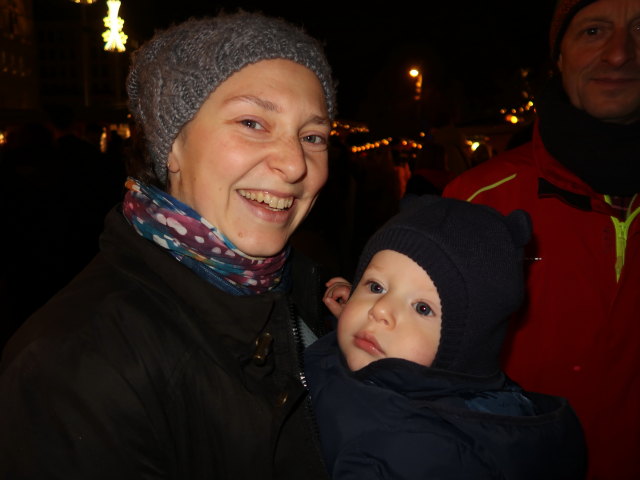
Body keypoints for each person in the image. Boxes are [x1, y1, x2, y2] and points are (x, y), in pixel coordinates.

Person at [0, 12, 336, 479]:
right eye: (252, 122)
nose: (295, 163)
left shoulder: (311, 298)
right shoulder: (73, 364)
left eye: (313, 136)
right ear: (171, 144)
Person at [442, 1, 640, 478]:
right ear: (559, 58)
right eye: (593, 31)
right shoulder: (477, 201)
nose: (619, 54)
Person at [306, 195, 587, 479]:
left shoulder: (412, 455)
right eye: (376, 287)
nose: (379, 311)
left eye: (422, 308)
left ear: (463, 348)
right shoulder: (385, 360)